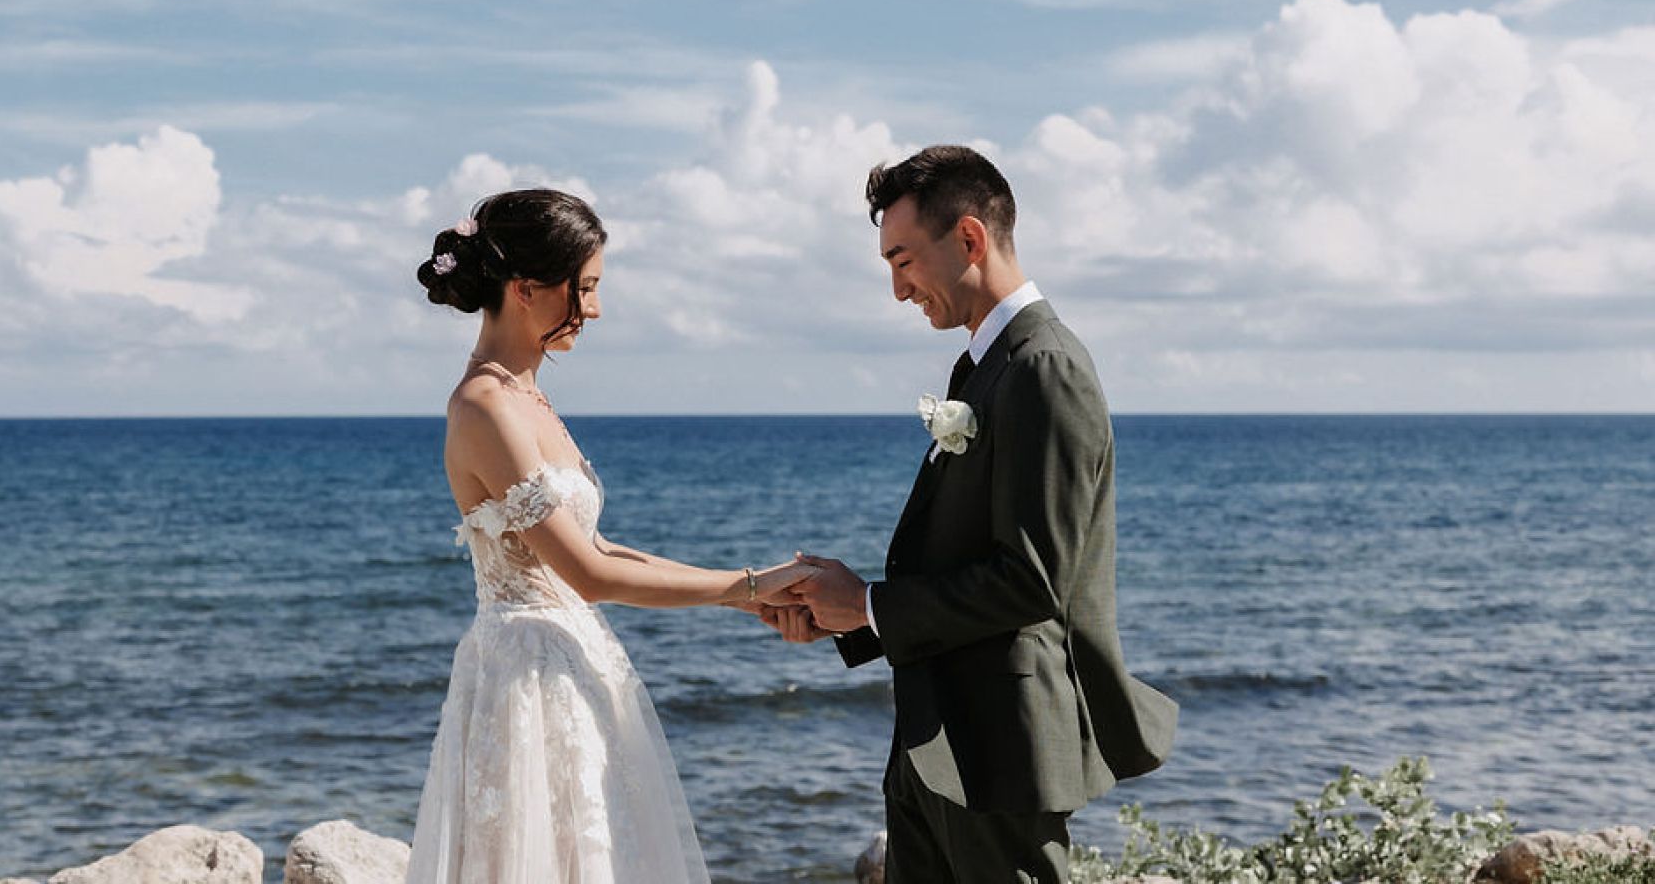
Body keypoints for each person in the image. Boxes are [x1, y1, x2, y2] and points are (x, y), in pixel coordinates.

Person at [779, 146, 1178, 884]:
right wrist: (850, 611)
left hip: (998, 753)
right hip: (936, 747)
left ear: (969, 238)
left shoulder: (1043, 367)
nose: (899, 291)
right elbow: (966, 561)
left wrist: (869, 604)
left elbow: (1032, 583)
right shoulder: (990, 367)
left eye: (903, 261)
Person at [402, 187, 816, 884]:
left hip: (573, 661)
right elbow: (588, 573)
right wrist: (741, 586)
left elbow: (600, 550)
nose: (594, 309)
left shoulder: (528, 397)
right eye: (585, 288)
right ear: (527, 288)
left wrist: (742, 592)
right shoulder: (484, 405)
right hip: (526, 678)